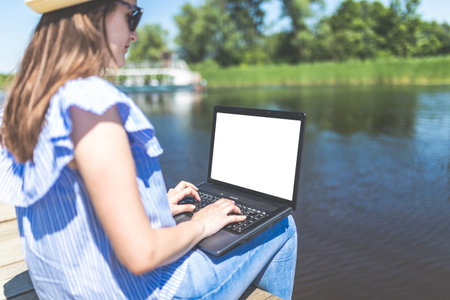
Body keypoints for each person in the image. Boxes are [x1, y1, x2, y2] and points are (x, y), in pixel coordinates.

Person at [0, 0, 298, 299]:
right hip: (138, 292)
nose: (135, 34)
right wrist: (200, 225)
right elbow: (141, 255)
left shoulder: (28, 102)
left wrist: (148, 209)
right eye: (132, 16)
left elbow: (70, 201)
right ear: (93, 17)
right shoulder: (90, 105)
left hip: (66, 288)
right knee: (281, 224)